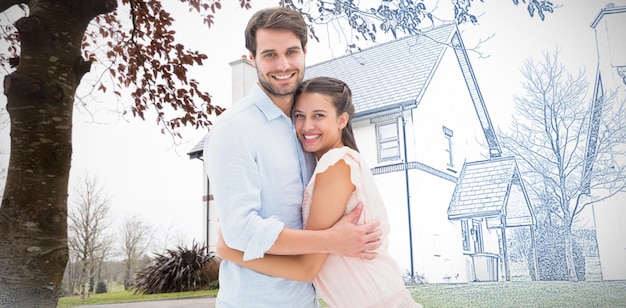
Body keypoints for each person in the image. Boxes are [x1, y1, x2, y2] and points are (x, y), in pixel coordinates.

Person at [203, 7, 382, 308]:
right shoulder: (233, 129)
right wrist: (330, 240)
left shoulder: (309, 130)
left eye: (291, 52)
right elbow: (240, 231)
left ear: (304, 52)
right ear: (252, 58)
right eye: (270, 54)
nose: (283, 64)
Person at [217, 77, 422, 308]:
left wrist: (230, 251)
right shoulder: (339, 162)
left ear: (341, 120)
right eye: (299, 115)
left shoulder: (335, 164)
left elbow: (307, 268)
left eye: (319, 115)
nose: (307, 126)